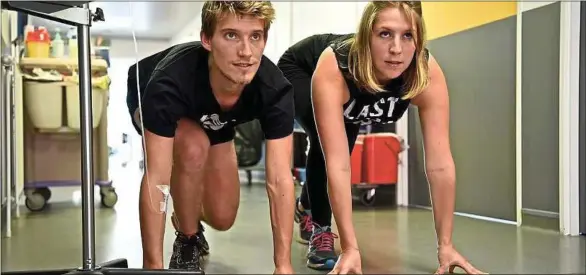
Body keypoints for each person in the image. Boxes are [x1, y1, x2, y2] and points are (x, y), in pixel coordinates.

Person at [277, 1, 486, 274]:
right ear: (367, 36)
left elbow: (440, 164)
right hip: (301, 69)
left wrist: (445, 245)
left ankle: (305, 205)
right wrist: (351, 248)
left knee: (345, 132)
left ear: (419, 39)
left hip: (349, 92)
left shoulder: (425, 73)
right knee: (325, 140)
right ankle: (320, 228)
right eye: (385, 33)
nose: (397, 49)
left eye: (408, 35)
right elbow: (338, 164)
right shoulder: (336, 67)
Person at [127, 1, 296, 272]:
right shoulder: (167, 83)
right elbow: (156, 178)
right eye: (231, 35)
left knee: (222, 216)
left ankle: (186, 211)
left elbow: (280, 180)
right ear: (207, 39)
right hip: (151, 93)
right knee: (193, 146)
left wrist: (284, 265)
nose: (246, 52)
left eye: (255, 36)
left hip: (213, 116)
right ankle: (187, 237)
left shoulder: (274, 89)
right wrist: (153, 267)